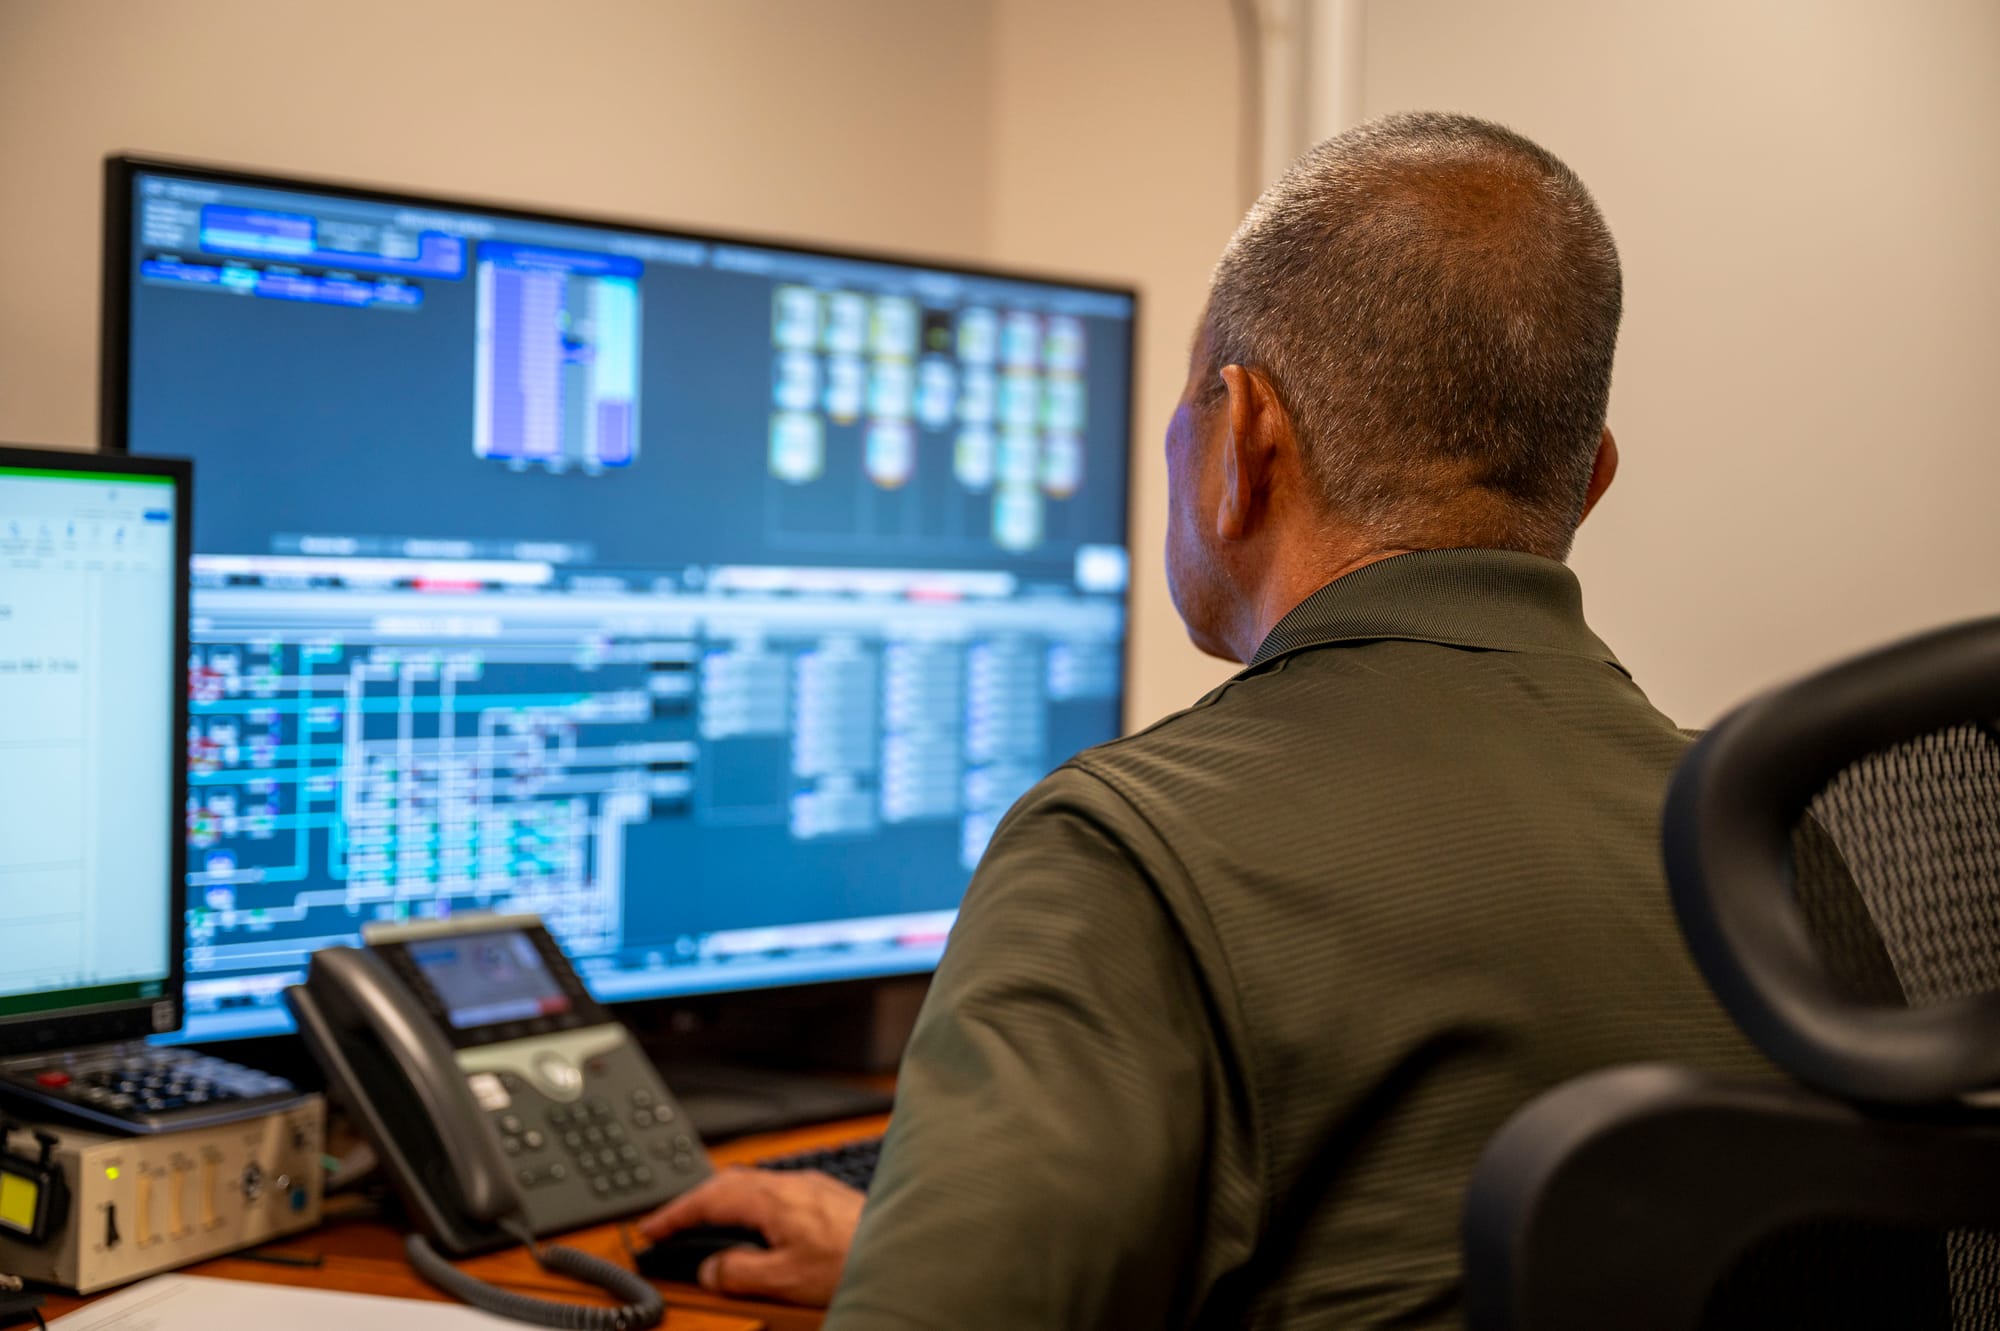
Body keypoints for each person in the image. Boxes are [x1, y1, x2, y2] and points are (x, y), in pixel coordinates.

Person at [640, 111, 1764, 1328]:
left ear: (1241, 438)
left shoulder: (1125, 850)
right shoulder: (1782, 844)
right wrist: (927, 1231)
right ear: (1588, 480)